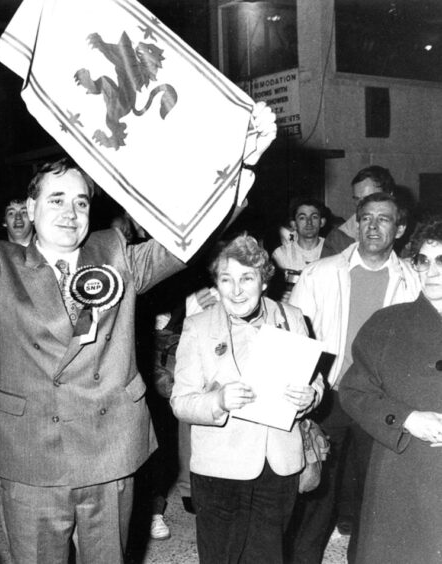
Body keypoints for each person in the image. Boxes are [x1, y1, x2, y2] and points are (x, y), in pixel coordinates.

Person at [0, 100, 276, 564]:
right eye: (56, 200)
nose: (70, 212)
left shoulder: (116, 251)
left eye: (80, 201)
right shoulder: (1, 263)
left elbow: (186, 239)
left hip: (109, 449)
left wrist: (241, 163)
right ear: (30, 208)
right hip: (32, 456)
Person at [171, 234, 323, 564]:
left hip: (278, 464)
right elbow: (180, 401)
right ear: (217, 284)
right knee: (221, 556)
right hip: (220, 465)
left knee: (269, 555)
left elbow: (316, 380)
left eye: (247, 278)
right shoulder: (197, 326)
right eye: (227, 279)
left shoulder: (292, 317)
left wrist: (311, 395)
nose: (236, 290)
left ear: (264, 281)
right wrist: (219, 401)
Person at [287, 192, 421, 563]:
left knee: (370, 493)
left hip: (379, 401)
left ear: (400, 228)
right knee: (317, 490)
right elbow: (295, 337)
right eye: (366, 218)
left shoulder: (413, 281)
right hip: (329, 395)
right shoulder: (321, 272)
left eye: (384, 219)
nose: (373, 226)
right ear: (356, 223)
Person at [338, 217, 442, 564]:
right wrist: (408, 418)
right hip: (403, 473)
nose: (432, 272)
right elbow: (353, 392)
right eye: (423, 262)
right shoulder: (387, 325)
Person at [321, 166, 394, 258]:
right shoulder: (338, 238)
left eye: (369, 198)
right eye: (357, 199)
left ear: (389, 195)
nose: (361, 205)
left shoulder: (411, 235)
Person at [272, 198, 327, 290]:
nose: (309, 222)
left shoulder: (333, 249)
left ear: (322, 222)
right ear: (294, 224)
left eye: (314, 217)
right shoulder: (281, 255)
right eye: (302, 218)